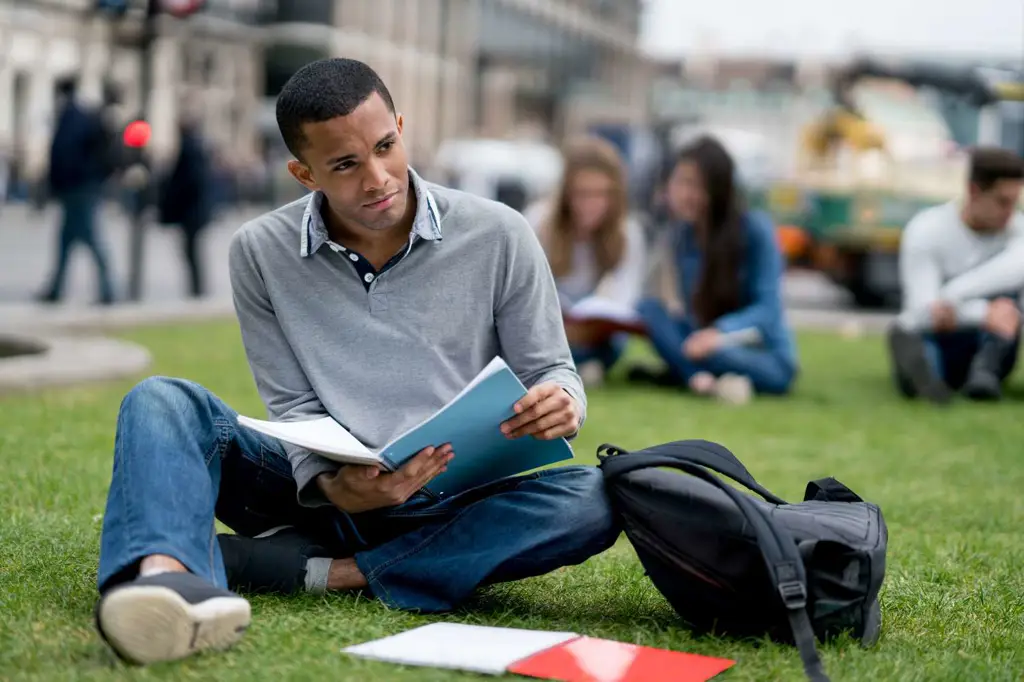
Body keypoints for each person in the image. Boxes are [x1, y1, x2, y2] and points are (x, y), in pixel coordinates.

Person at [92, 58, 618, 666]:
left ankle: (328, 572)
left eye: (385, 147)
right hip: (323, 489)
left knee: (594, 498)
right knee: (161, 400)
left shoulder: (502, 234)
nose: (378, 179)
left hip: (456, 496)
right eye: (345, 164)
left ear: (399, 125)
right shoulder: (259, 252)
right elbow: (293, 408)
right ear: (303, 172)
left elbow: (553, 370)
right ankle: (163, 581)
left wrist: (562, 403)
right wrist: (335, 485)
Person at [628, 136, 798, 402]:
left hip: (755, 350)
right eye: (680, 182)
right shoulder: (680, 236)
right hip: (700, 343)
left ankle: (689, 373)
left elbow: (767, 309)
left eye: (695, 185)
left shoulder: (754, 229)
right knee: (648, 310)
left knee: (714, 354)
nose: (685, 194)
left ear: (718, 190)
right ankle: (702, 379)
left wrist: (720, 334)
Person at [888, 146, 1024, 403]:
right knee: (917, 334)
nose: (1009, 212)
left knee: (1008, 303)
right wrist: (984, 313)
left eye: (1014, 202)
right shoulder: (927, 229)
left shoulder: (1019, 231)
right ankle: (927, 381)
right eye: (1002, 202)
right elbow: (923, 311)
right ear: (974, 191)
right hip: (942, 334)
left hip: (992, 342)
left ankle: (983, 378)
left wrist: (951, 297)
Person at [524, 136, 646, 387]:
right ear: (567, 193)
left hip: (593, 334)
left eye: (601, 194)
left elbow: (625, 298)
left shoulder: (627, 233)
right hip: (548, 328)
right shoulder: (538, 222)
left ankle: (570, 367)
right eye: (583, 194)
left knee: (615, 344)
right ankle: (574, 367)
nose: (592, 205)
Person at [38, 74, 115, 305]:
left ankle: (108, 290)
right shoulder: (79, 116)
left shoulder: (74, 118)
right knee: (66, 241)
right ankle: (56, 289)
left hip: (79, 189)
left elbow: (64, 154)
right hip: (80, 187)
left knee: (90, 240)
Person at [158, 110, 214, 297]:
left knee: (191, 251)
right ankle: (196, 289)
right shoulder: (194, 147)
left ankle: (196, 290)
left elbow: (187, 182)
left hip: (192, 211)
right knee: (191, 251)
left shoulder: (189, 149)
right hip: (194, 210)